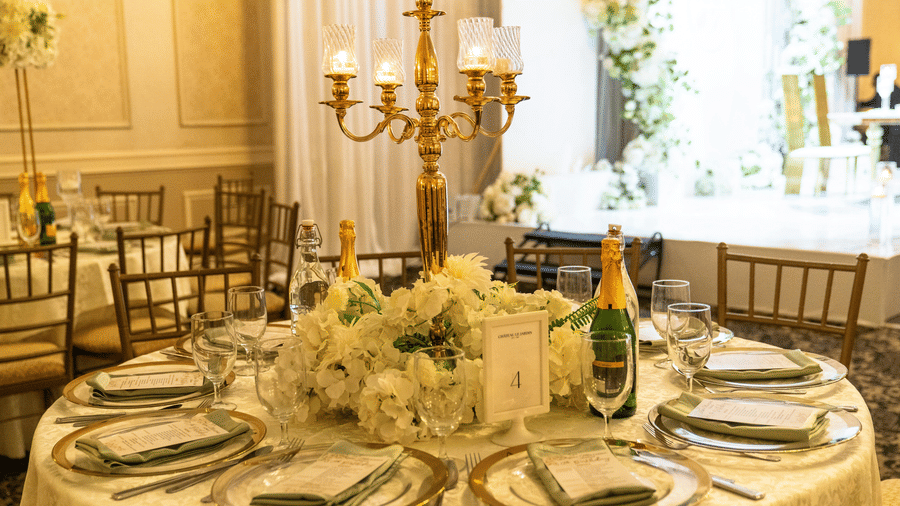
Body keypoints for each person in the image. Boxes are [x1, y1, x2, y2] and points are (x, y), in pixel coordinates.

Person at [858, 73, 900, 164]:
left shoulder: (890, 89)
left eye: (874, 82)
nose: (872, 84)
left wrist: (860, 104)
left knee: (868, 136)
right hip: (890, 126)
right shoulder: (892, 88)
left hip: (893, 127)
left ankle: (876, 162)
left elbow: (875, 102)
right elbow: (874, 101)